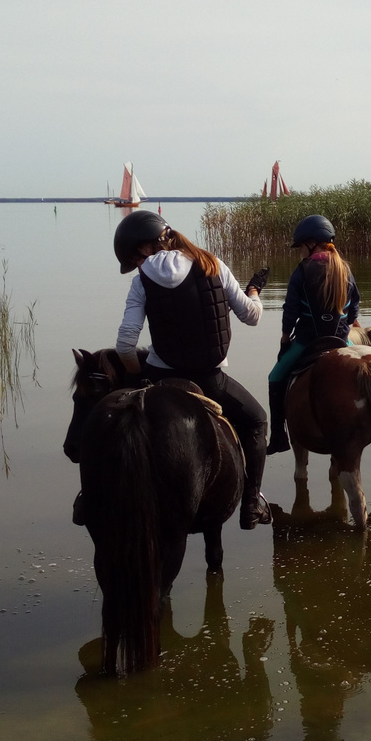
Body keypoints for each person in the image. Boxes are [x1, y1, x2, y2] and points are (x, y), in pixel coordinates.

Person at [112, 210, 273, 528]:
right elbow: (252, 316)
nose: (139, 264)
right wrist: (254, 292)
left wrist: (135, 375)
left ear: (145, 248)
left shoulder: (141, 281)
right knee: (257, 421)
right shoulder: (214, 265)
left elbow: (125, 346)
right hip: (211, 381)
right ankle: (251, 503)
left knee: (112, 422)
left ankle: (89, 498)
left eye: (135, 257)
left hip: (162, 378)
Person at [265, 214, 360, 454]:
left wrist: (286, 336)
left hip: (308, 341)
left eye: (301, 247)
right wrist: (345, 325)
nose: (300, 252)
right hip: (341, 340)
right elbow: (355, 306)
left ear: (311, 243)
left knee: (275, 377)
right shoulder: (345, 268)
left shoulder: (302, 271)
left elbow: (291, 310)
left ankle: (277, 437)